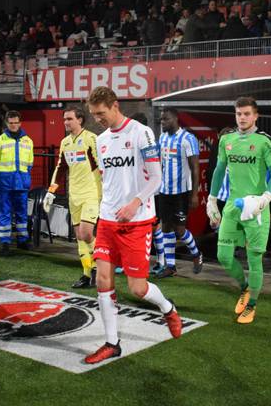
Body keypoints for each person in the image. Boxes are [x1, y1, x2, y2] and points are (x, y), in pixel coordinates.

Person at [84, 87, 182, 364]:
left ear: (115, 106)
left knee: (138, 289)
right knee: (102, 279)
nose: (98, 119)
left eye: (101, 113)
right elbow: (107, 181)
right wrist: (99, 214)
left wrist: (135, 203)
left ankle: (167, 307)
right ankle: (112, 343)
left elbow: (156, 178)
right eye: (93, 115)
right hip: (108, 221)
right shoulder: (100, 140)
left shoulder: (142, 133)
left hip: (137, 222)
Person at [206, 97, 271, 324]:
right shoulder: (226, 139)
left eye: (247, 114)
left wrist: (267, 197)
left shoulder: (264, 141)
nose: (242, 118)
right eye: (239, 114)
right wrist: (212, 199)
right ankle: (244, 287)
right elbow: (219, 170)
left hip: (256, 208)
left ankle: (252, 305)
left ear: (256, 116)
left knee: (254, 259)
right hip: (231, 206)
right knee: (223, 256)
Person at [43, 106, 102, 288]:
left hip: (92, 193)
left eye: (69, 119)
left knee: (86, 233)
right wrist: (51, 191)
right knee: (79, 236)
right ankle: (87, 274)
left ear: (80, 120)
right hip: (73, 195)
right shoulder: (65, 142)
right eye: (64, 119)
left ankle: (100, 267)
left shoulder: (92, 139)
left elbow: (103, 167)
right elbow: (60, 168)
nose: (66, 122)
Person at [155, 108, 204, 278]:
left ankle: (196, 254)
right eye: (161, 119)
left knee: (180, 230)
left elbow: (195, 168)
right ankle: (171, 266)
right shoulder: (162, 138)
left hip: (181, 192)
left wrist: (195, 194)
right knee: (166, 228)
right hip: (164, 191)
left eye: (165, 119)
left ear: (176, 119)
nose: (162, 122)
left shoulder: (188, 139)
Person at [0, 110, 33, 255]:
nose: (13, 125)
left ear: (20, 123)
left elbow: (30, 163)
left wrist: (24, 176)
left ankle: (22, 240)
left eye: (16, 123)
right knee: (5, 213)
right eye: (11, 123)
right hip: (5, 184)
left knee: (22, 213)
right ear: (7, 123)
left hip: (22, 183)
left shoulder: (28, 141)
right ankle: (5, 243)